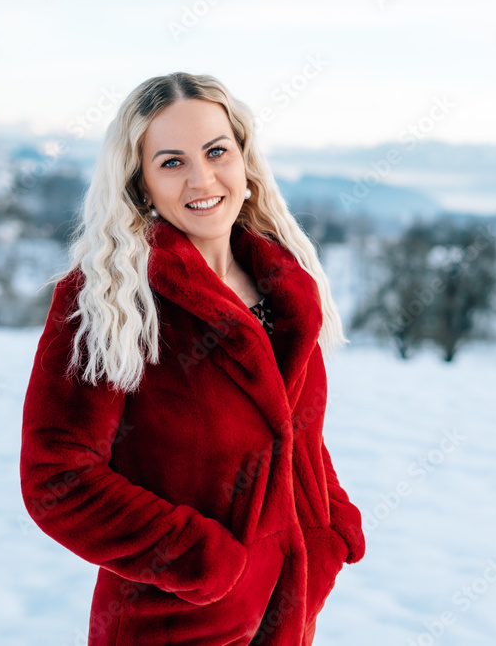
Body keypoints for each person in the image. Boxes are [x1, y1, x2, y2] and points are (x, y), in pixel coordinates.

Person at [19, 72, 366, 646]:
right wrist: (201, 561)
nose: (202, 179)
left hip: (291, 615)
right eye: (172, 162)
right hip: (170, 626)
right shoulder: (107, 297)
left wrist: (331, 527)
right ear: (141, 183)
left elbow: (294, 433)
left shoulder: (286, 287)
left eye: (216, 152)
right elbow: (57, 476)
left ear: (244, 159)